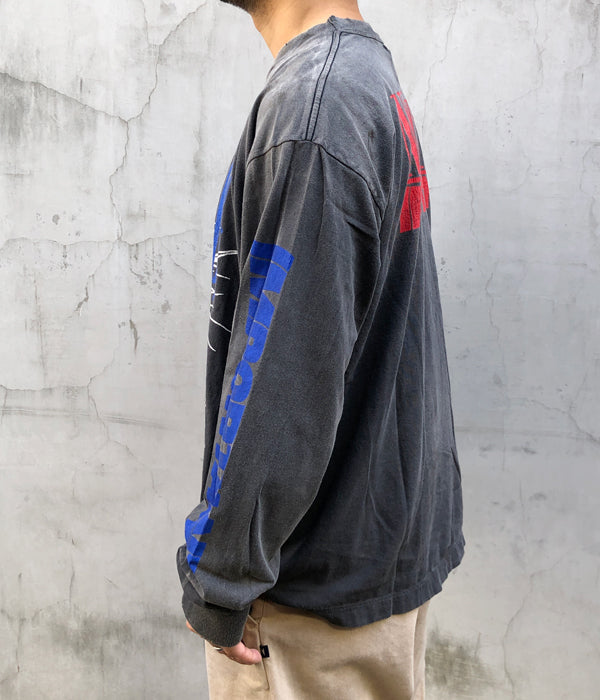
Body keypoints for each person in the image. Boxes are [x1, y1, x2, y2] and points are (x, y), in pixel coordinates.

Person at [176, 0, 464, 697]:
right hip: (362, 562)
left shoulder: (316, 105)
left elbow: (284, 378)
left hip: (304, 602)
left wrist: (221, 579)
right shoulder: (358, 76)